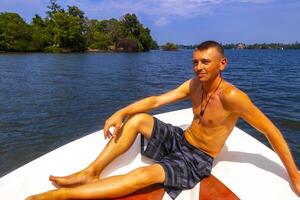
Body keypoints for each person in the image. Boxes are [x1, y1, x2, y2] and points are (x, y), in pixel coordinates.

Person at [26, 41, 300, 200]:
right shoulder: (194, 85)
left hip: (198, 157)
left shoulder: (233, 97)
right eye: (195, 62)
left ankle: (62, 197)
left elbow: (270, 130)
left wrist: (294, 174)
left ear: (222, 63)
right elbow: (156, 101)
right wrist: (122, 111)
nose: (198, 68)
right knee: (139, 119)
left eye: (205, 62)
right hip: (182, 140)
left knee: (143, 175)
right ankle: (91, 171)